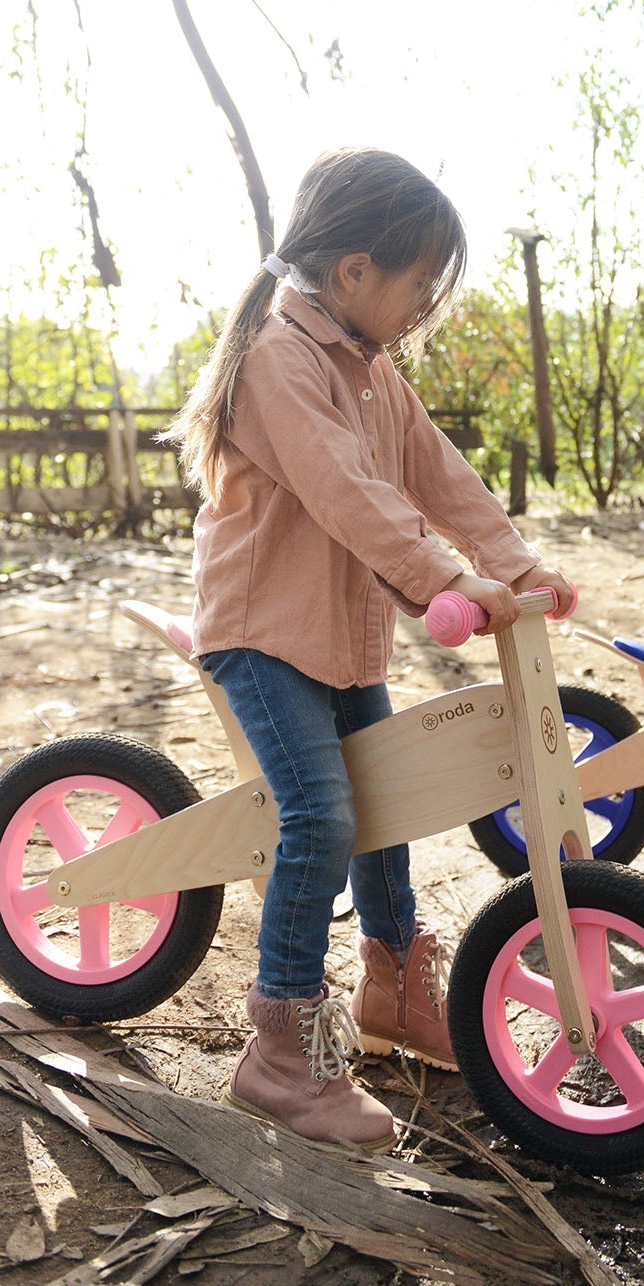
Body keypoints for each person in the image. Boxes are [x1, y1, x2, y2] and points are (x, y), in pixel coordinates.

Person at [166, 148, 575, 1152]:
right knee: (322, 816)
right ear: (354, 271)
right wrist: (445, 578)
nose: (424, 303)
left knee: (389, 801)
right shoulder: (279, 356)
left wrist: (515, 566)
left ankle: (393, 987)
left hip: (343, 641)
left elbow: (439, 475)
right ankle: (279, 1053)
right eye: (419, 282)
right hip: (264, 637)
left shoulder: (371, 367)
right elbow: (347, 489)